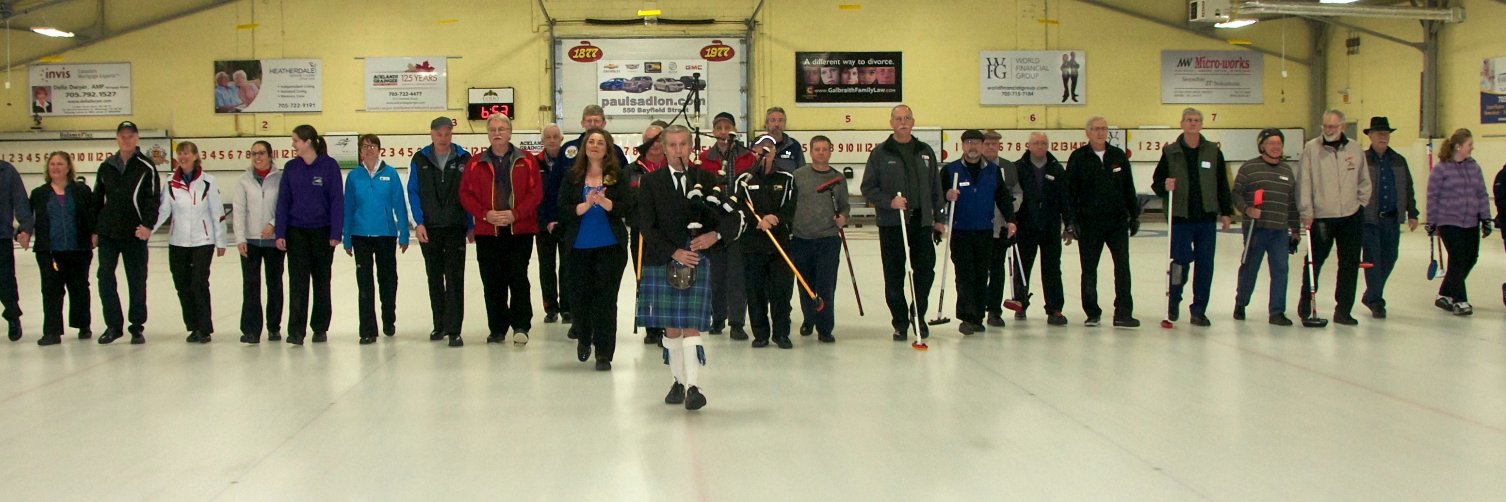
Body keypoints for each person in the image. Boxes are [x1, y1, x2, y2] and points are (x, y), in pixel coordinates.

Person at [637, 125, 740, 410]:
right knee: (672, 327)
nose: (678, 150)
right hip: (664, 259)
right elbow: (646, 225)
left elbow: (729, 217)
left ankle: (694, 387)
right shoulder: (651, 182)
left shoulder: (706, 179)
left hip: (698, 260)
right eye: (672, 145)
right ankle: (678, 381)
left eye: (683, 144)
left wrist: (714, 235)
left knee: (691, 325)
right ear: (663, 148)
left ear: (691, 147)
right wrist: (674, 252)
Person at [861, 104, 945, 341]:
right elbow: (868, 188)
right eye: (898, 118)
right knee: (894, 274)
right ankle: (900, 322)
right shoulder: (880, 153)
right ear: (891, 123)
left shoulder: (925, 151)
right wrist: (890, 201)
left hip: (921, 222)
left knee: (925, 271)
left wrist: (939, 218)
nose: (903, 122)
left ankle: (917, 315)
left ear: (913, 122)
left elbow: (935, 187)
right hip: (892, 223)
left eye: (907, 118)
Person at [545, 105, 629, 328]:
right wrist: (552, 217)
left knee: (605, 293)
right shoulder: (569, 151)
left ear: (604, 123)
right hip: (576, 234)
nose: (592, 125)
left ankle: (601, 336)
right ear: (582, 123)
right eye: (588, 120)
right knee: (576, 285)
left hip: (608, 238)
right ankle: (574, 319)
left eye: (596, 120)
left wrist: (610, 205)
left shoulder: (616, 154)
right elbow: (555, 189)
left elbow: (625, 196)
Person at [461, 114, 541, 345]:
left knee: (518, 277)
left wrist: (516, 213)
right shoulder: (475, 163)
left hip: (519, 230)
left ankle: (521, 325)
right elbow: (465, 195)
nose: (497, 133)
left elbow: (536, 193)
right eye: (493, 129)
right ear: (488, 133)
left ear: (510, 132)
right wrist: (484, 214)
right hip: (488, 231)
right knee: (492, 281)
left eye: (502, 129)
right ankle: (497, 328)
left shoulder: (526, 160)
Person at [557, 128, 632, 370]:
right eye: (591, 141)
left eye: (600, 142)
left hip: (610, 248)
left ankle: (603, 353)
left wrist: (607, 203)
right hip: (578, 248)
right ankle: (584, 336)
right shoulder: (572, 176)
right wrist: (584, 205)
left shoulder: (617, 176)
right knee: (580, 298)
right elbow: (562, 208)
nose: (595, 146)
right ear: (584, 147)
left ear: (607, 148)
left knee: (606, 301)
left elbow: (628, 207)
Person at [1152, 108, 1233, 327]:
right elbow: (1157, 182)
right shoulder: (1170, 152)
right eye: (1189, 120)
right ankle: (1173, 301)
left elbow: (1222, 183)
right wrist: (1164, 186)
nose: (1193, 123)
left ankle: (1199, 309)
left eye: (1197, 120)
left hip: (1206, 218)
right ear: (1182, 124)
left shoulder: (1213, 151)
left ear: (1201, 124)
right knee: (1180, 262)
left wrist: (1226, 212)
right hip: (1180, 218)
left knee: (1205, 265)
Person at [1298, 109, 1372, 326]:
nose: (1328, 130)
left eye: (1332, 126)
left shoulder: (1355, 149)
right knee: (1314, 261)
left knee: (1349, 264)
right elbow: (1304, 182)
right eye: (1325, 126)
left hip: (1351, 215)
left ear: (1342, 127)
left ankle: (1343, 310)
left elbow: (1364, 180)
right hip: (1322, 216)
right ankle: (1306, 303)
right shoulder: (1311, 149)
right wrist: (1306, 211)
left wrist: (1360, 203)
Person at [1065, 116, 1140, 328]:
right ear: (1088, 132)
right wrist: (1071, 220)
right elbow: (1069, 192)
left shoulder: (1118, 156)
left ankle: (1123, 313)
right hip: (1089, 223)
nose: (1100, 132)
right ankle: (1092, 312)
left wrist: (1134, 215)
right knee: (1089, 269)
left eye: (1103, 129)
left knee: (1122, 267)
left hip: (1117, 222)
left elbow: (1128, 187)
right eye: (1096, 129)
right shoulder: (1078, 157)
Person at [940, 130, 1017, 334]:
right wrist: (947, 195)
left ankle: (978, 317)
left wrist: (1011, 220)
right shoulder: (950, 170)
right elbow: (936, 196)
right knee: (964, 275)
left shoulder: (993, 171)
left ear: (982, 146)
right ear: (962, 146)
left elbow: (1002, 197)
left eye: (976, 143)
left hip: (985, 231)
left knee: (981, 275)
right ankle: (966, 317)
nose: (972, 146)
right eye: (968, 142)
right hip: (961, 231)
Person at [152, 141, 229, 343]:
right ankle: (193, 326)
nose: (183, 157)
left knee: (198, 283)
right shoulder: (171, 182)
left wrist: (221, 241)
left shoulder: (208, 181)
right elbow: (163, 210)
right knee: (182, 285)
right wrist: (148, 230)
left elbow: (217, 212)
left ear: (195, 156)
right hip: (178, 241)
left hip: (203, 240)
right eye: (180, 153)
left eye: (187, 153)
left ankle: (204, 328)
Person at [275, 124, 343, 345]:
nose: (293, 144)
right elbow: (283, 202)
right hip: (296, 233)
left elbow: (337, 200)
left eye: (295, 140)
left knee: (322, 281)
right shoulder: (291, 167)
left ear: (308, 142)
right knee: (298, 282)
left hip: (322, 233)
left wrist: (336, 231)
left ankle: (320, 327)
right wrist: (280, 232)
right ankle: (296, 331)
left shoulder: (329, 166)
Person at [94, 121, 160, 345]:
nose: (126, 139)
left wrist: (148, 225)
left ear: (137, 138)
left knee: (137, 279)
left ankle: (136, 326)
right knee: (105, 277)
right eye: (122, 136)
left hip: (135, 233)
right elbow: (97, 199)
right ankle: (113, 325)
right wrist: (95, 229)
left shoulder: (146, 166)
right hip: (108, 233)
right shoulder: (106, 167)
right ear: (117, 138)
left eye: (130, 136)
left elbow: (153, 199)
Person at [409, 116, 472, 347]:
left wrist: (471, 225)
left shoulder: (464, 158)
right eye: (439, 134)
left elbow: (470, 192)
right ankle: (440, 324)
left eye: (447, 133)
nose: (443, 138)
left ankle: (454, 330)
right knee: (434, 278)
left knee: (455, 279)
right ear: (431, 134)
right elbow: (413, 192)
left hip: (455, 227)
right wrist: (418, 223)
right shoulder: (420, 159)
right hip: (430, 229)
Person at [344, 134, 409, 345]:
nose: (368, 149)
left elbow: (399, 204)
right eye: (364, 146)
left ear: (379, 149)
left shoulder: (390, 174)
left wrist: (404, 233)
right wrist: (346, 237)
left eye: (372, 146)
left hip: (385, 235)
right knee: (365, 283)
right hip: (360, 235)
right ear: (360, 151)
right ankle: (367, 330)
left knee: (388, 280)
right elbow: (348, 208)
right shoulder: (354, 177)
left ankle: (388, 318)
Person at [1231, 129, 1301, 326]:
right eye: (1271, 143)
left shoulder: (1287, 171)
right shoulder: (1249, 168)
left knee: (1280, 270)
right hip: (1256, 229)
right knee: (1250, 268)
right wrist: (1247, 209)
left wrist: (1295, 229)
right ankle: (1241, 302)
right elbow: (1236, 194)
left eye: (1279, 143)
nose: (1276, 147)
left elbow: (1291, 202)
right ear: (1262, 146)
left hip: (1279, 231)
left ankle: (1277, 312)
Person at [699, 111, 756, 339]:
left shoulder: (748, 157)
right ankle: (718, 318)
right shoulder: (705, 158)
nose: (723, 132)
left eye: (727, 128)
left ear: (735, 130)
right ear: (713, 132)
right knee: (716, 274)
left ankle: (737, 322)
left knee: (737, 274)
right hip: (714, 220)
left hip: (739, 220)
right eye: (719, 128)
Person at [28, 152, 94, 345]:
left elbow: (92, 214)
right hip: (49, 251)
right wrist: (22, 232)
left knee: (79, 288)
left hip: (78, 250)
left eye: (60, 164)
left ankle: (83, 325)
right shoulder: (39, 193)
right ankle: (52, 332)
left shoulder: (82, 191)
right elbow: (27, 218)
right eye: (52, 164)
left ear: (68, 168)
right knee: (51, 290)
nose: (55, 167)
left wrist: (95, 232)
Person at [739, 136, 799, 348]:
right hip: (752, 244)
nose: (765, 151)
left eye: (770, 147)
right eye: (760, 147)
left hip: (780, 244)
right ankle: (760, 334)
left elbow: (791, 205)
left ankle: (781, 333)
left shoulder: (786, 178)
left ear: (774, 152)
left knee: (781, 293)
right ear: (753, 151)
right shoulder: (744, 179)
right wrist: (758, 219)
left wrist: (776, 218)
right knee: (755, 293)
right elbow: (739, 206)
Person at [1426, 128, 1493, 316]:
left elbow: (1481, 193)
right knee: (1457, 258)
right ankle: (1460, 300)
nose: (1472, 148)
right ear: (1458, 147)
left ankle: (1445, 294)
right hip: (1449, 221)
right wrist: (1431, 221)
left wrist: (1485, 218)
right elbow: (1433, 196)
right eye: (1469, 144)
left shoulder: (1474, 167)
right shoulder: (1441, 169)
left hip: (1471, 221)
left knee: (1471, 258)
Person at [1009, 132, 1072, 326]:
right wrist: (1011, 221)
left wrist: (1069, 223)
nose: (1040, 146)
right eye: (1036, 143)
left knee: (1052, 269)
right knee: (1022, 267)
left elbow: (1065, 198)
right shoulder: (1018, 168)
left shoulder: (1056, 168)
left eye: (1043, 143)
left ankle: (1054, 309)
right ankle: (1020, 304)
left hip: (1050, 226)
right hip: (1025, 226)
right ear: (1028, 145)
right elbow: (1011, 196)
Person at [1359, 117, 1419, 318]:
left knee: (1390, 258)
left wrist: (1412, 213)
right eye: (1379, 133)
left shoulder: (1398, 160)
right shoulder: (1362, 160)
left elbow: (1408, 187)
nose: (1383, 137)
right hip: (1369, 220)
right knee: (1373, 260)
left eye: (1386, 133)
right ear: (1370, 136)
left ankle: (1371, 295)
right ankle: (1376, 301)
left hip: (1391, 219)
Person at [233, 140, 284, 344]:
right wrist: (240, 238)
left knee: (274, 285)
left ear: (270, 155)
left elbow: (285, 206)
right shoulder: (243, 181)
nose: (257, 157)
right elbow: (239, 211)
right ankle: (251, 330)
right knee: (251, 286)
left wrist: (273, 224)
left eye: (261, 153)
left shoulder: (280, 179)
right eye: (254, 154)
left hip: (273, 241)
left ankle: (274, 327)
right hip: (251, 241)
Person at [629, 123, 668, 345]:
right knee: (645, 279)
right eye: (650, 141)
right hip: (642, 233)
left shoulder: (675, 166)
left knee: (668, 278)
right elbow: (626, 201)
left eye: (658, 140)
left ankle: (668, 325)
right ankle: (652, 327)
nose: (655, 145)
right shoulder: (632, 170)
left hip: (669, 233)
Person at [981, 130, 1024, 326]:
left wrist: (1010, 210)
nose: (991, 147)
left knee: (997, 271)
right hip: (978, 227)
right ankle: (977, 307)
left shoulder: (1008, 167)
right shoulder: (975, 166)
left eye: (994, 144)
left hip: (1001, 227)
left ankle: (994, 310)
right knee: (979, 271)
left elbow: (1017, 192)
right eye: (987, 144)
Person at [533, 124, 567, 324]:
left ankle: (567, 308)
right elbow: (533, 195)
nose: (552, 140)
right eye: (548, 137)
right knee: (546, 267)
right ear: (542, 141)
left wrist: (563, 219)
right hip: (543, 224)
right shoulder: (533, 163)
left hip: (566, 224)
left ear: (561, 139)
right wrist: (545, 220)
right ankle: (550, 307)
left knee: (567, 266)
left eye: (555, 136)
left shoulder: (569, 162)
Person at [1, 158, 35, 341]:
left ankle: (13, 316)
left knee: (5, 281)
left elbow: (20, 200)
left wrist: (25, 227)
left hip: (1, 236)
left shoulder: (7, 171)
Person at [762, 107, 805, 172]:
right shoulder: (758, 144)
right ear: (766, 124)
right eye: (773, 120)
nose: (777, 124)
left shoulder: (794, 145)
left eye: (780, 120)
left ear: (785, 123)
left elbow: (801, 172)